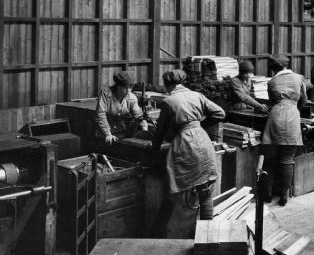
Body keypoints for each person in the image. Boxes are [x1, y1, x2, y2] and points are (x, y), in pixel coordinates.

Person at [150, 69, 226, 235]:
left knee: (173, 192)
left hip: (185, 146)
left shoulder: (169, 101)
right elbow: (220, 113)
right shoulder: (197, 95)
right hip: (203, 142)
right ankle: (207, 236)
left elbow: (160, 132)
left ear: (168, 85)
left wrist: (153, 148)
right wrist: (197, 125)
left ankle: (158, 233)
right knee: (205, 193)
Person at [262, 54, 308, 206]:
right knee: (287, 159)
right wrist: (294, 108)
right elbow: (304, 100)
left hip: (274, 118)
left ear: (274, 68)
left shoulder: (271, 82)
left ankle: (267, 195)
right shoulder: (299, 78)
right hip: (292, 118)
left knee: (270, 160)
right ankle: (283, 196)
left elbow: (271, 101)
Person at [95, 71, 147, 145]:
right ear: (118, 86)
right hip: (105, 134)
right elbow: (100, 115)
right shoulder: (105, 94)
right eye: (125, 88)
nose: (128, 90)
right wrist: (108, 134)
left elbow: (138, 116)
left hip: (123, 134)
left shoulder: (132, 97)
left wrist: (144, 129)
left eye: (130, 87)